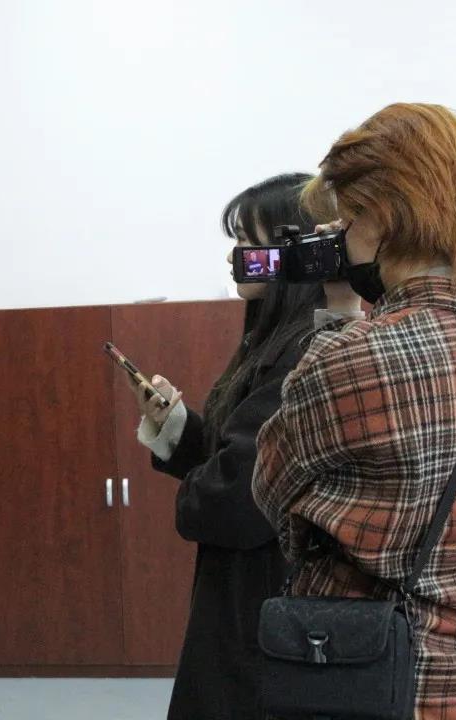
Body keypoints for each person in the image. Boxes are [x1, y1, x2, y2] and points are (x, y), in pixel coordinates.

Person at [253, 103, 456, 718]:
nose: (343, 237)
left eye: (348, 219)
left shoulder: (352, 358)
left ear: (383, 216)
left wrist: (338, 318)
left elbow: (272, 500)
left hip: (379, 680)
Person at [130, 174, 327, 719]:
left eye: (246, 241)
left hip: (266, 600)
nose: (235, 256)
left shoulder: (303, 352)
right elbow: (234, 453)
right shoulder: (270, 340)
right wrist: (176, 426)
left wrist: (197, 494)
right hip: (246, 595)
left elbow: (236, 497)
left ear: (288, 251)